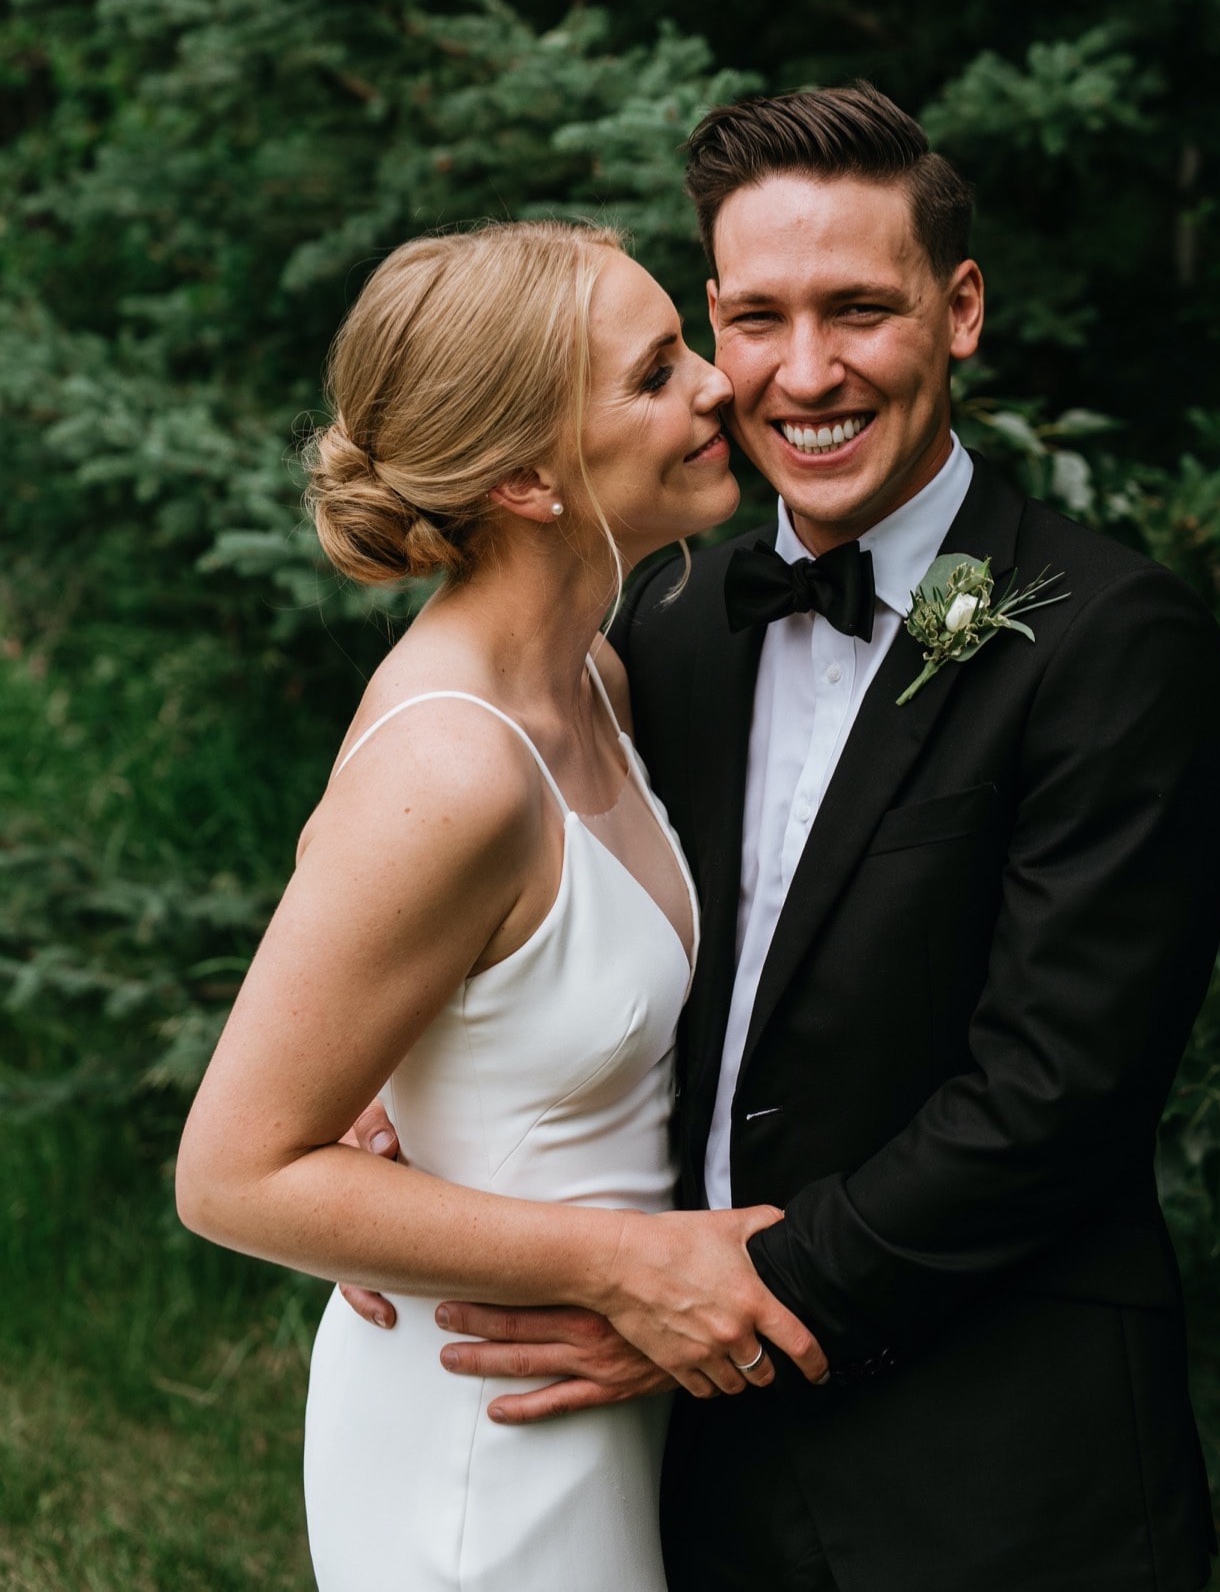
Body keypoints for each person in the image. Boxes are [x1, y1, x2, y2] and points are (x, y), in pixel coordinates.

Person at [349, 83, 1220, 1591]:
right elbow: (467, 835)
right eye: (757, 318)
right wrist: (399, 1060)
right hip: (681, 1476)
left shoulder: (1114, 639)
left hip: (999, 1471)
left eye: (859, 310)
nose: (805, 372)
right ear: (711, 324)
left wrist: (722, 1294)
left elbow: (1057, 1093)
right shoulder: (660, 622)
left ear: (958, 309)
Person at [174, 217, 828, 1592]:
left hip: (597, 1420)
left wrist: (389, 1082)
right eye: (655, 373)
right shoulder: (459, 760)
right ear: (529, 476)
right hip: (479, 1429)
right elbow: (228, 1172)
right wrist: (626, 1266)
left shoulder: (592, 674)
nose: (719, 383)